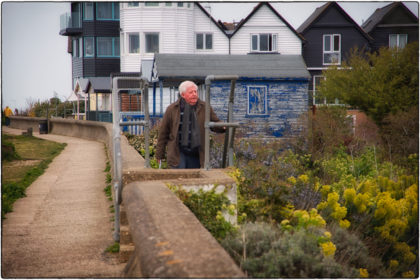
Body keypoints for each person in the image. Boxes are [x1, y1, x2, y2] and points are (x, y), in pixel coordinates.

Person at [156, 80, 225, 169]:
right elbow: (163, 133)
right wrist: (159, 154)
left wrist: (222, 126)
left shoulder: (205, 107)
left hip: (197, 153)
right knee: (179, 179)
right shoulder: (172, 109)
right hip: (178, 153)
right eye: (191, 92)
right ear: (183, 95)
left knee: (194, 180)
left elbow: (215, 123)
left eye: (195, 92)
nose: (194, 94)